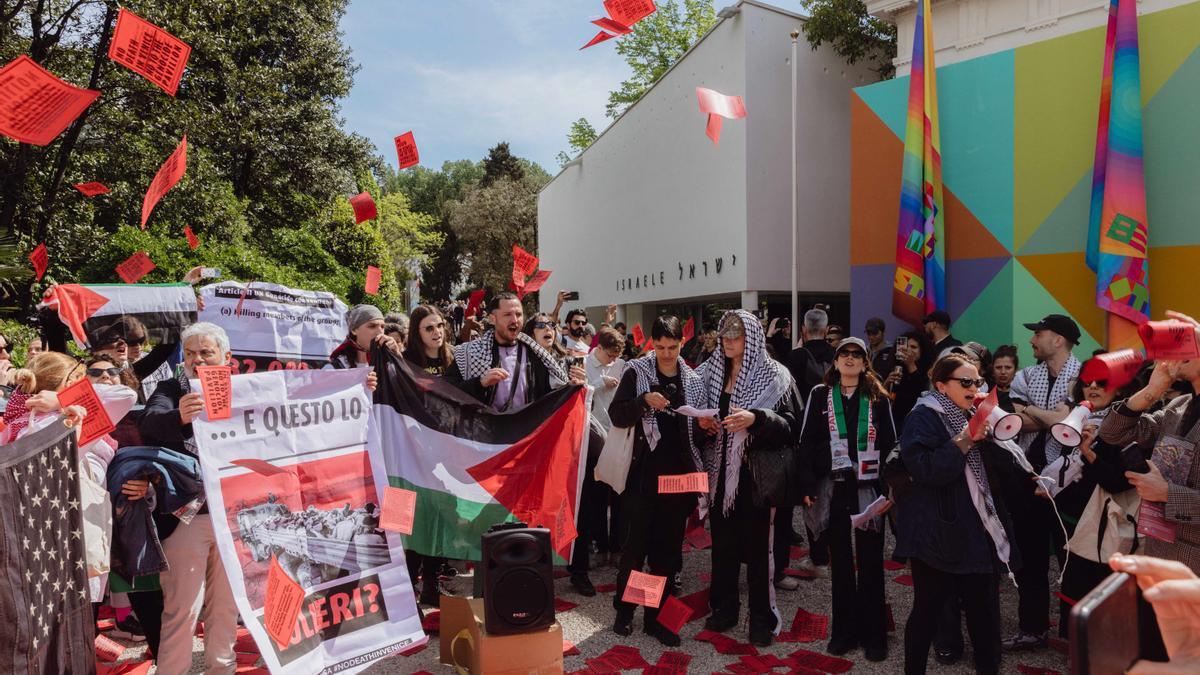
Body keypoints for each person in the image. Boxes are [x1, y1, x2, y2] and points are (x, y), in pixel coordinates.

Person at [897, 354, 1023, 675]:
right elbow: (925, 469)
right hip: (939, 532)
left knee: (984, 615)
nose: (974, 387)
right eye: (965, 382)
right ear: (941, 385)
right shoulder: (923, 416)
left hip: (977, 529)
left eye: (977, 381)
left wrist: (996, 435)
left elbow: (1004, 473)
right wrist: (967, 438)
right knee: (928, 611)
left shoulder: (976, 413)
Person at [137, 322, 241, 673]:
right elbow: (149, 423)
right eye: (190, 354)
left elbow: (296, 404)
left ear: (226, 357)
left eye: (206, 352)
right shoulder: (169, 388)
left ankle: (221, 669)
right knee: (183, 608)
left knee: (226, 607)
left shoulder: (246, 389)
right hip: (187, 518)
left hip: (233, 518)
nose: (197, 359)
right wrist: (179, 415)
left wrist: (357, 387)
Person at [699, 309, 802, 648]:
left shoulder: (776, 375)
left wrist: (755, 418)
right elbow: (694, 411)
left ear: (752, 338)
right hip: (719, 477)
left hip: (756, 478)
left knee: (759, 553)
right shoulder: (712, 372)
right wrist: (704, 424)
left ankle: (761, 620)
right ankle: (725, 609)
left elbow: (791, 426)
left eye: (736, 336)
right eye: (724, 336)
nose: (728, 342)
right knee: (723, 548)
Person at [607, 316, 704, 646]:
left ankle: (654, 617)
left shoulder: (692, 378)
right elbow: (617, 414)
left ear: (681, 344)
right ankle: (624, 611)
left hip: (677, 481)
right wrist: (642, 401)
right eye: (660, 347)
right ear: (652, 343)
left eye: (672, 348)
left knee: (665, 554)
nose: (665, 354)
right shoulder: (637, 372)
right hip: (643, 479)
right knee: (636, 550)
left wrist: (706, 427)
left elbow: (697, 431)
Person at [800, 337, 897, 661]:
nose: (851, 359)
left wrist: (890, 489)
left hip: (869, 488)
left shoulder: (878, 398)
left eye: (857, 354)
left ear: (866, 362)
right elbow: (807, 442)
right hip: (835, 486)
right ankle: (844, 633)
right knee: (840, 562)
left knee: (871, 562)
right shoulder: (820, 395)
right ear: (836, 361)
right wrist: (810, 483)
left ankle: (875, 636)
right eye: (845, 354)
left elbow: (891, 444)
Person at [1100, 311, 1200, 575]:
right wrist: (1152, 391)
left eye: (1186, 341)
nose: (1175, 352)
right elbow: (1112, 433)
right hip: (1160, 550)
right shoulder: (1178, 406)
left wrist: (1168, 493)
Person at [1004, 313, 1083, 651]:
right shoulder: (1026, 374)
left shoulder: (1083, 376)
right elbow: (1015, 424)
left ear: (1059, 339)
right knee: (1031, 559)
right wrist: (1056, 417)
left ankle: (1075, 633)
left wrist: (1034, 412)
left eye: (1039, 333)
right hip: (1026, 476)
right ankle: (1033, 629)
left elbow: (1071, 424)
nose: (1033, 339)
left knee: (1074, 559)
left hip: (1069, 479)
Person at [447, 292, 585, 409]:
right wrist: (480, 383)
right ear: (492, 319)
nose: (515, 320)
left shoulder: (536, 354)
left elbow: (549, 397)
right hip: (486, 434)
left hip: (524, 433)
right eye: (508, 315)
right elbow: (447, 392)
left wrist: (571, 388)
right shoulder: (470, 353)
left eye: (518, 314)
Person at [587, 327, 627, 566]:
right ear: (598, 348)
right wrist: (599, 383)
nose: (613, 360)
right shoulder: (583, 362)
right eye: (609, 355)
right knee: (597, 496)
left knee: (620, 494)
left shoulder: (621, 365)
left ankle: (617, 547)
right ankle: (599, 546)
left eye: (616, 356)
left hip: (619, 435)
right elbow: (578, 391)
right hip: (594, 437)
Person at [329, 304, 403, 369]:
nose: (380, 332)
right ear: (354, 330)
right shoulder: (337, 366)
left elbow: (407, 381)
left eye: (382, 326)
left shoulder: (386, 362)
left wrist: (397, 355)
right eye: (372, 326)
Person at [403, 305, 454, 376]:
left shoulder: (456, 355)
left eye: (440, 325)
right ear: (416, 332)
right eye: (429, 328)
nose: (437, 331)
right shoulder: (406, 361)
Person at [991, 345, 1019, 411]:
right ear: (992, 369)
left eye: (1008, 368)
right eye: (998, 367)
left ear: (1016, 370)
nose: (1003, 372)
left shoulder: (1022, 395)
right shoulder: (985, 392)